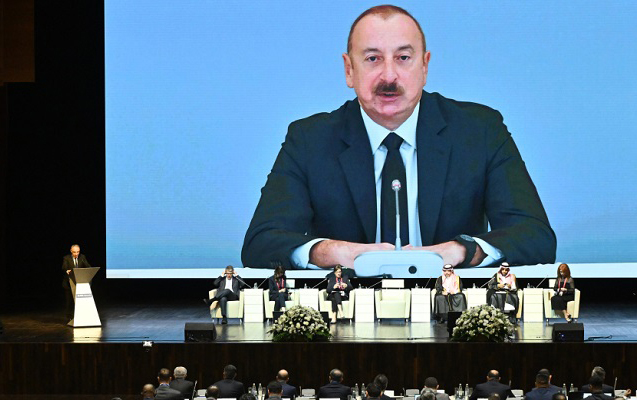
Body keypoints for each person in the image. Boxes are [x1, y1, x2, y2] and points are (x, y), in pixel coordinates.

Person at [241, 5, 556, 270]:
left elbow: (535, 236)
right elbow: (261, 243)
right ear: (349, 70)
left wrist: (460, 251)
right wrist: (333, 252)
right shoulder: (310, 140)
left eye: (403, 58)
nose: (389, 76)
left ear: (425, 66)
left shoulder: (479, 130)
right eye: (373, 59)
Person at [61, 244, 92, 320]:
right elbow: (64, 267)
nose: (76, 254)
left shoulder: (82, 257)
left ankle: (81, 315)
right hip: (69, 282)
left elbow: (88, 266)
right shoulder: (66, 258)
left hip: (80, 282)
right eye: (74, 252)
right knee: (69, 301)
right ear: (71, 251)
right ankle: (69, 317)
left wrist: (89, 270)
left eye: (78, 252)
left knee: (81, 300)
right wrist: (67, 270)